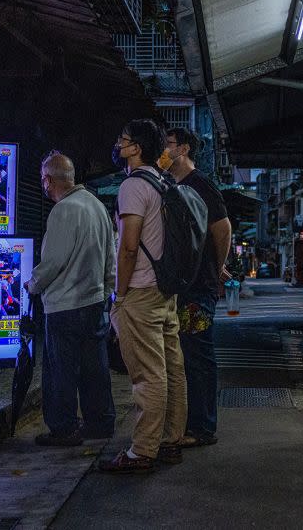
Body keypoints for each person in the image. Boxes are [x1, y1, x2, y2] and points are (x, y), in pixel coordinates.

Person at [100, 119, 187, 473]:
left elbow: (129, 247)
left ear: (135, 148)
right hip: (165, 290)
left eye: (122, 139)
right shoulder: (163, 181)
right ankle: (169, 440)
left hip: (139, 290)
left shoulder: (134, 186)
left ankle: (142, 451)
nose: (118, 145)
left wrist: (119, 294)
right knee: (171, 369)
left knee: (147, 375)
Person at [25, 151, 117, 447]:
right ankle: (100, 422)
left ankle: (64, 428)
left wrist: (33, 284)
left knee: (60, 371)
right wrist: (106, 291)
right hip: (94, 302)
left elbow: (52, 262)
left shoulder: (63, 210)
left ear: (48, 180)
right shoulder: (96, 206)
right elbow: (110, 257)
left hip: (65, 306)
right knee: (95, 369)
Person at [162, 128, 232, 448]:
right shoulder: (171, 186)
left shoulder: (200, 184)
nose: (163, 150)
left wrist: (215, 268)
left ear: (184, 149)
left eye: (168, 145)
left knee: (198, 354)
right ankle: (193, 422)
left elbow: (222, 228)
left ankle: (203, 427)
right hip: (183, 285)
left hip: (198, 288)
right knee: (187, 354)